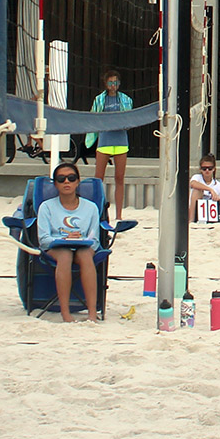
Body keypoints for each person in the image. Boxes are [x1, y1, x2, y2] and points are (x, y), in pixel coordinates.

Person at [37, 161, 101, 322]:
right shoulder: (46, 207)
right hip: (55, 247)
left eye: (71, 178)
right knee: (65, 255)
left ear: (78, 182)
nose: (67, 182)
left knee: (86, 255)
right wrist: (63, 239)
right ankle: (65, 313)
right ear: (55, 184)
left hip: (83, 247)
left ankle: (92, 313)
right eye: (61, 179)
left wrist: (80, 241)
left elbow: (94, 239)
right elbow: (43, 240)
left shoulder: (91, 207)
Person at [85, 70, 133, 221]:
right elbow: (93, 118)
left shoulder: (125, 99)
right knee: (98, 178)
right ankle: (97, 213)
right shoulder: (99, 100)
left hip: (120, 141)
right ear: (106, 84)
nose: (113, 86)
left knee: (119, 178)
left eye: (116, 82)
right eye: (111, 83)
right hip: (104, 140)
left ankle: (118, 215)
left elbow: (130, 119)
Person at [189, 154, 220, 220]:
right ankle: (191, 221)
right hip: (195, 211)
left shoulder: (218, 185)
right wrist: (210, 190)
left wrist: (217, 199)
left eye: (210, 168)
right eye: (204, 168)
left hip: (211, 213)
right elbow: (192, 183)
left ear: (214, 169)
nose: (207, 170)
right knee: (197, 190)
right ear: (200, 169)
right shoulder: (197, 177)